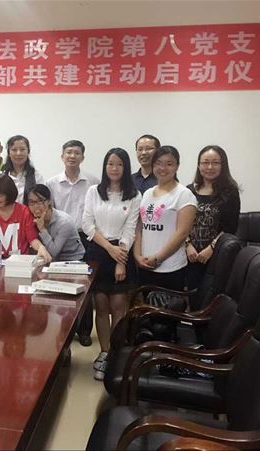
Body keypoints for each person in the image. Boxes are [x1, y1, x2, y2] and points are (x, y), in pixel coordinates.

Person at [82, 148, 141, 381]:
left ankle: (116, 353)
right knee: (101, 305)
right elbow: (87, 224)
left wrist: (121, 260)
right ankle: (104, 353)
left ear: (125, 168)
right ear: (105, 167)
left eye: (119, 164)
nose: (114, 168)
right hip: (98, 250)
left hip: (122, 251)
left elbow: (130, 229)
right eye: (110, 164)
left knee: (118, 306)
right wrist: (109, 248)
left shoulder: (134, 195)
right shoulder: (93, 191)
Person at [46, 139, 99, 346]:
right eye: (68, 152)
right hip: (59, 238)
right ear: (62, 156)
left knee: (84, 285)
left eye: (77, 153)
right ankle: (63, 329)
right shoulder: (52, 183)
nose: (72, 156)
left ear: (82, 157)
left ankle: (84, 331)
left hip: (85, 236)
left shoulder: (93, 181)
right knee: (60, 284)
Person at [134, 145, 197, 291]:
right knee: (147, 305)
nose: (163, 168)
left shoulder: (184, 194)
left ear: (177, 166)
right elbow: (139, 227)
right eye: (158, 163)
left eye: (169, 164)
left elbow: (182, 233)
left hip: (170, 268)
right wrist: (137, 255)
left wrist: (158, 258)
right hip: (145, 265)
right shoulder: (147, 193)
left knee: (167, 306)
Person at [185, 145, 240, 304]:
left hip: (216, 256)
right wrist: (188, 245)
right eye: (205, 162)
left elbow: (230, 227)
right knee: (192, 299)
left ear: (223, 165)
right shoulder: (188, 191)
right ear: (199, 165)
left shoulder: (230, 192)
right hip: (189, 255)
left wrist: (211, 248)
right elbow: (181, 223)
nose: (210, 167)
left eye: (215, 163)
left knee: (212, 301)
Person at [0, 174, 51, 263]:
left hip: (20, 262)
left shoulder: (24, 211)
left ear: (9, 192)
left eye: (0, 194)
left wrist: (40, 247)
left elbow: (32, 238)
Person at [26, 184, 85, 261]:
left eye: (40, 201)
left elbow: (53, 252)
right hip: (48, 260)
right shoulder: (31, 218)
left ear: (49, 201)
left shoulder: (64, 222)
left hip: (72, 259)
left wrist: (42, 229)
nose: (36, 206)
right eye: (32, 202)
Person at [2, 135, 44, 203]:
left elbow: (41, 201)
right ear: (9, 153)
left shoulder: (37, 176)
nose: (18, 153)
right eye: (14, 150)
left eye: (22, 149)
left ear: (28, 152)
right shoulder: (1, 176)